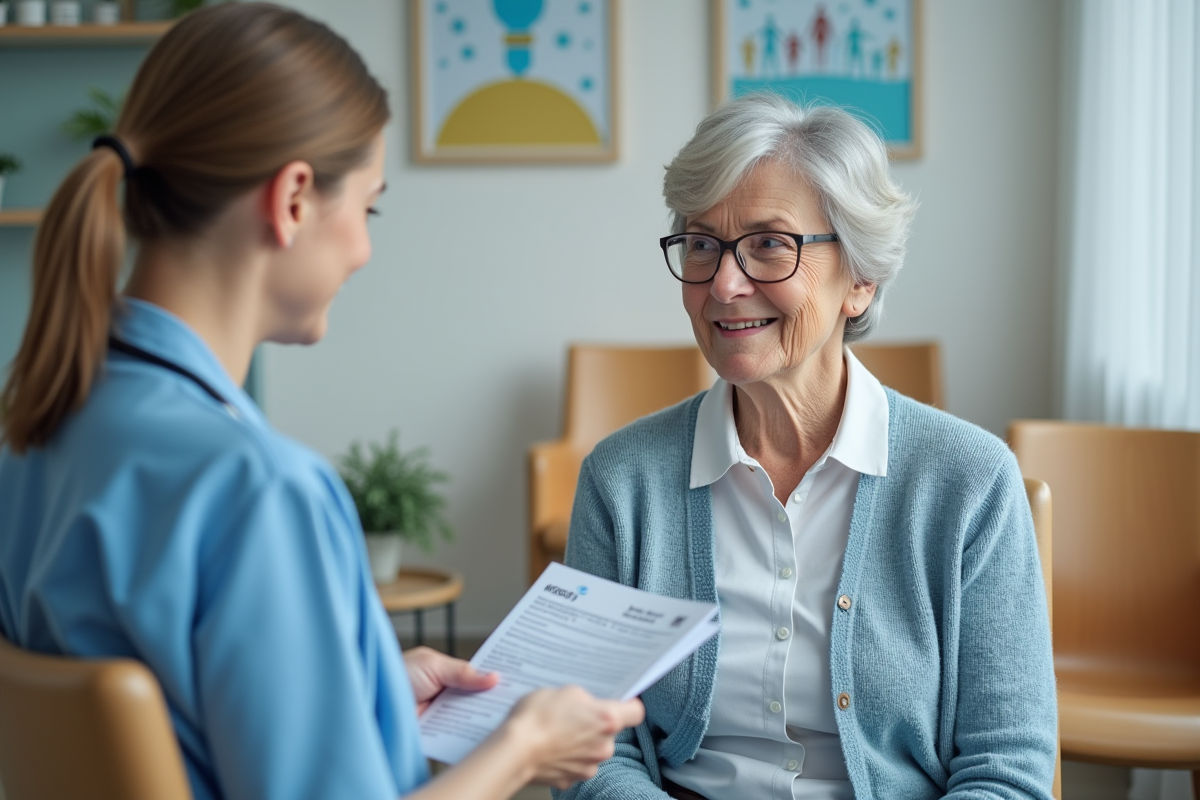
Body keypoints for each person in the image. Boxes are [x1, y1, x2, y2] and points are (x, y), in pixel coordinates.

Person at [0, 5, 642, 800]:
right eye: (367, 208)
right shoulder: (261, 492)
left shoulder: (37, 433)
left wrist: (364, 691)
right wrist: (522, 751)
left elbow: (179, 734)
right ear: (294, 198)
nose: (365, 250)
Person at [557, 94, 1057, 800]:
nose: (724, 285)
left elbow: (1007, 771)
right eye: (702, 244)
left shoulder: (970, 484)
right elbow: (587, 749)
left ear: (859, 279)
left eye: (770, 243)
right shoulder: (621, 481)